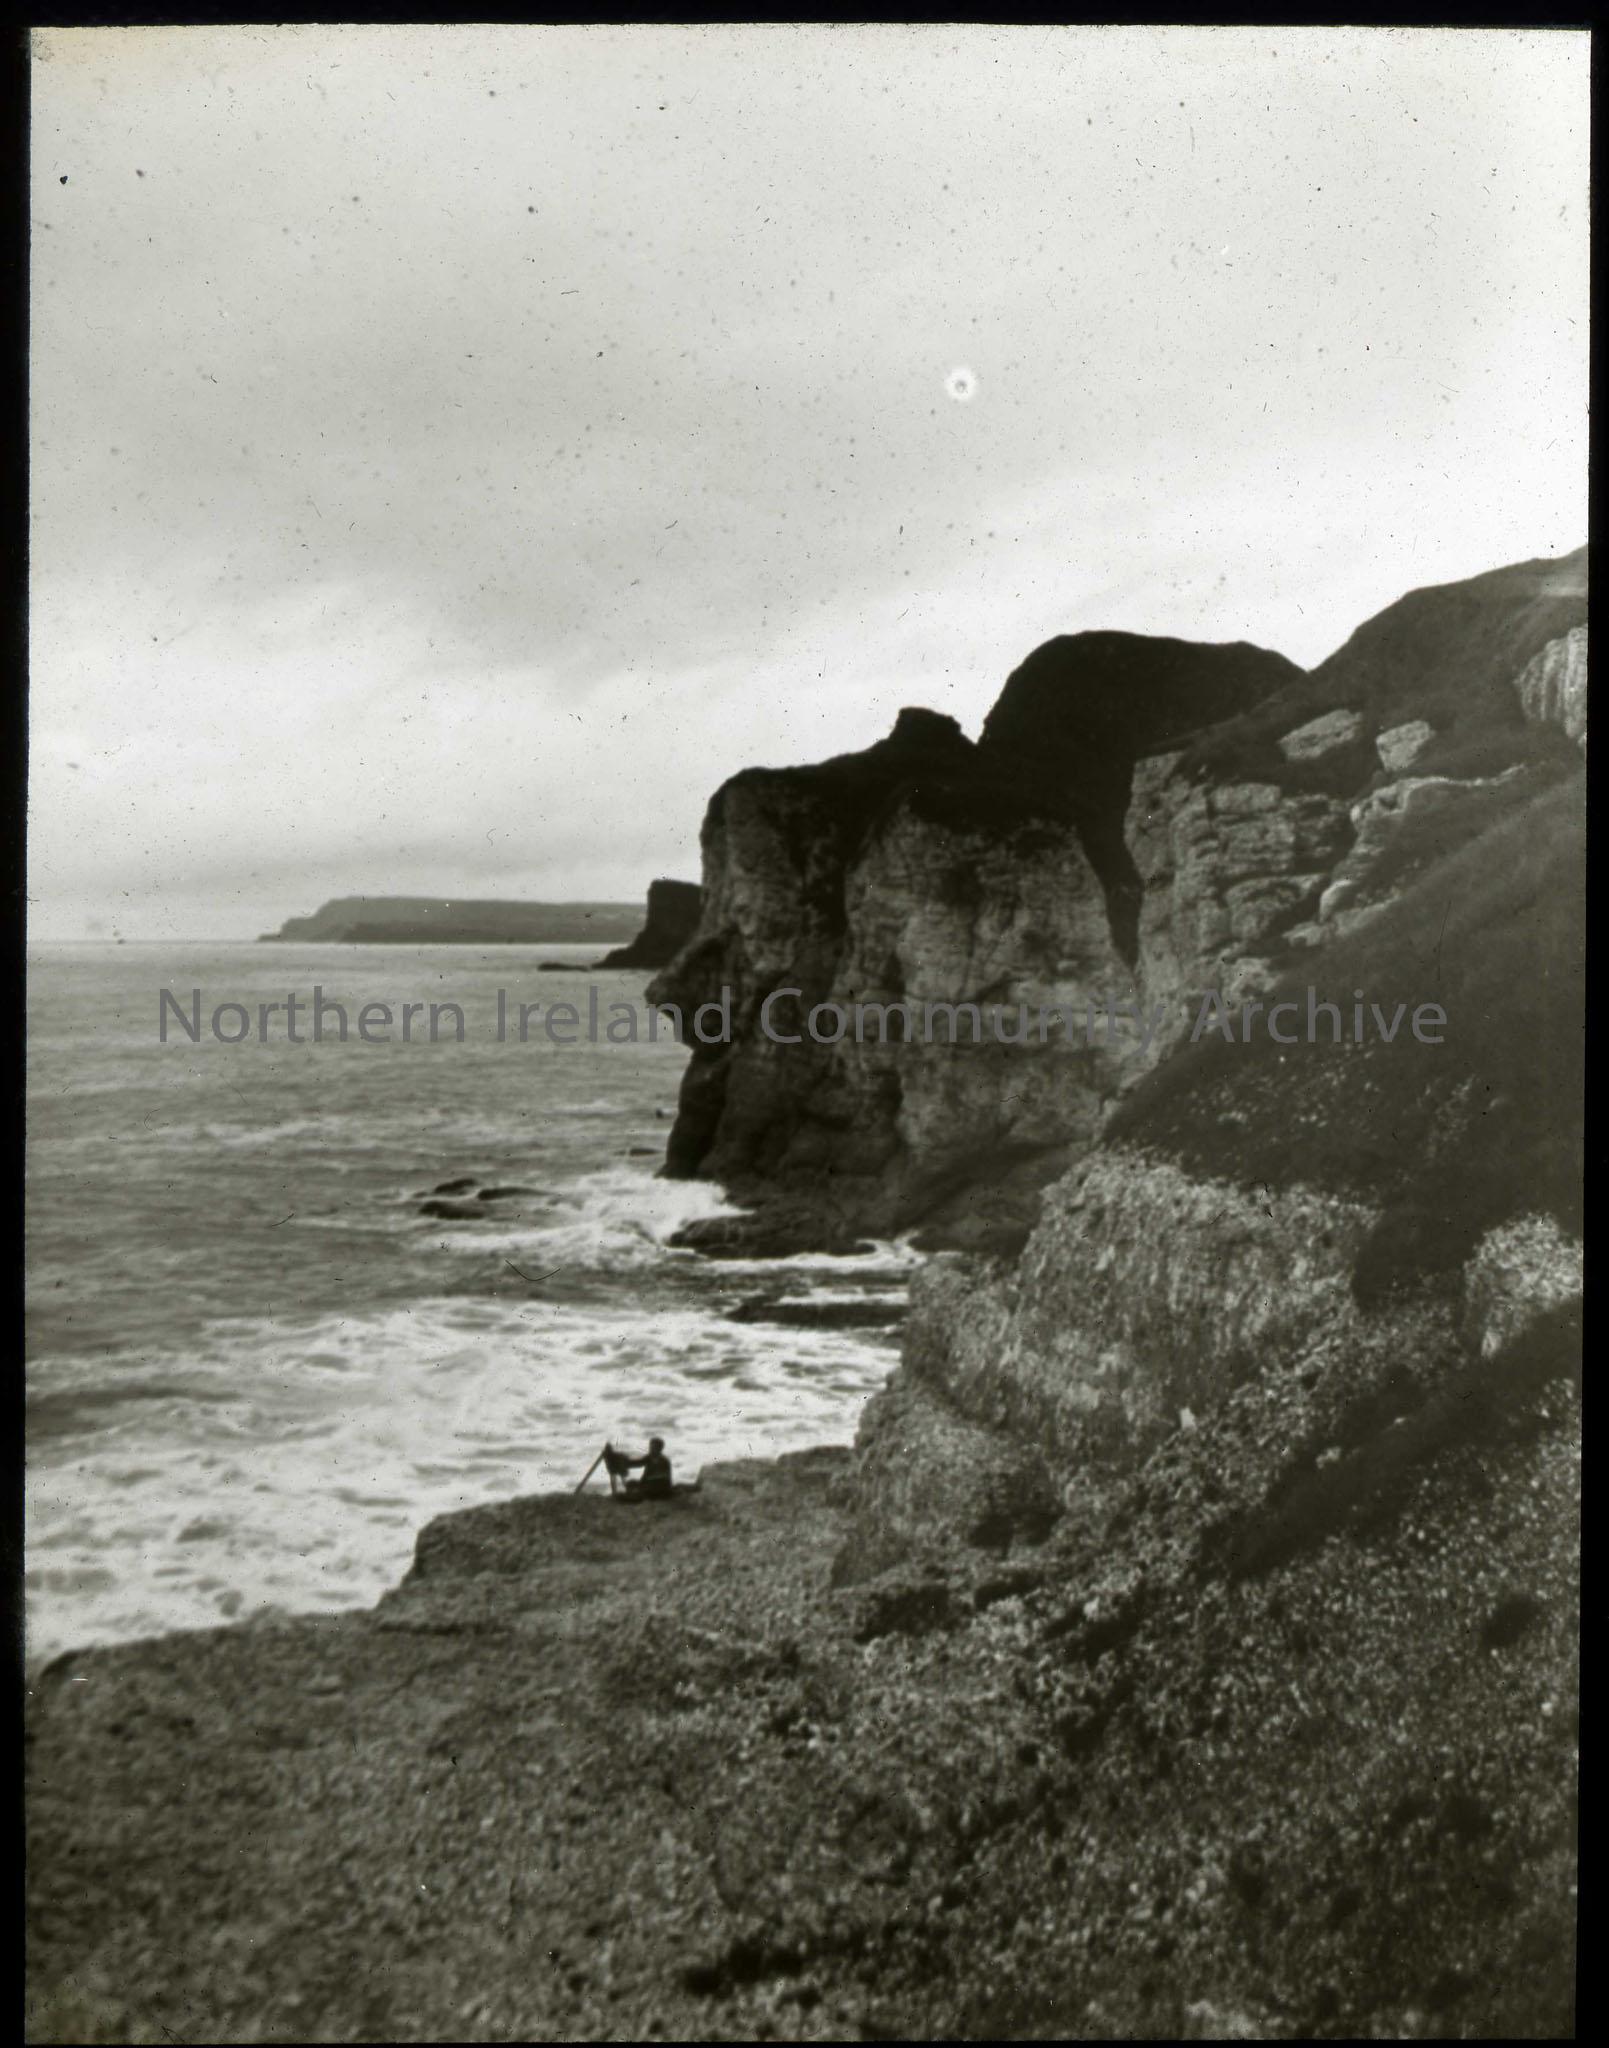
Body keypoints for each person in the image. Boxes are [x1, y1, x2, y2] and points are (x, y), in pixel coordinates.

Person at [606, 1436, 674, 1502]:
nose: (651, 1449)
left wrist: (643, 1485)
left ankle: (634, 1496)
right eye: (650, 1447)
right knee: (631, 1484)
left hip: (660, 1488)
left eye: (653, 1448)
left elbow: (661, 1478)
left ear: (659, 1449)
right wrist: (622, 1461)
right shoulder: (649, 1458)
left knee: (634, 1492)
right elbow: (637, 1463)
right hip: (651, 1486)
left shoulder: (664, 1461)